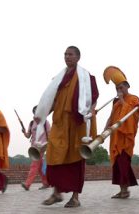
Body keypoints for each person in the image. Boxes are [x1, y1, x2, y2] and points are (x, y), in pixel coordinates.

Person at [34, 46, 99, 207]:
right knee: (54, 155)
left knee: (76, 159)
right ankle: (56, 193)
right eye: (65, 54)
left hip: (77, 123)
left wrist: (89, 111)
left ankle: (75, 197)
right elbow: (52, 101)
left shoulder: (86, 77)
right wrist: (42, 115)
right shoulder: (59, 79)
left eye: (70, 54)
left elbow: (93, 97)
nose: (67, 57)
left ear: (78, 57)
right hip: (60, 122)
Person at [103, 66, 139, 199]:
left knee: (123, 163)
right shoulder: (115, 102)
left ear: (127, 86)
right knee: (117, 165)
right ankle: (122, 189)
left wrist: (122, 100)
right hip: (115, 137)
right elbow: (112, 116)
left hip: (126, 137)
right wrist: (105, 129)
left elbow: (132, 115)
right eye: (117, 88)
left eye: (121, 87)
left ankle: (125, 190)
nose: (119, 90)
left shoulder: (134, 99)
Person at [21, 105, 50, 191]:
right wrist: (24, 132)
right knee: (40, 167)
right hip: (34, 148)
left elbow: (50, 135)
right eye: (35, 111)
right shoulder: (31, 123)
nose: (36, 112)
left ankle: (27, 184)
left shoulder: (45, 123)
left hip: (42, 147)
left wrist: (46, 146)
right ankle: (46, 183)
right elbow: (28, 136)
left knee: (34, 165)